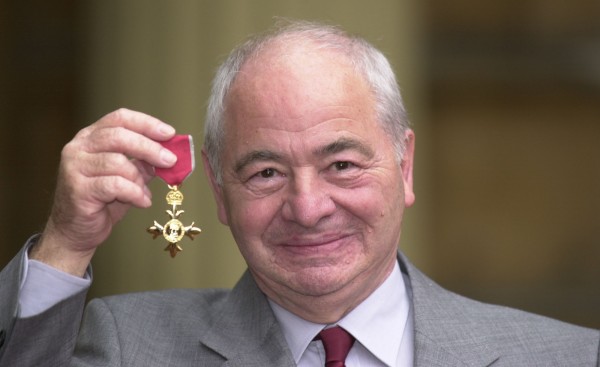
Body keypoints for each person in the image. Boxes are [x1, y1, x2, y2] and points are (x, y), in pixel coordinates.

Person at [0, 20, 598, 367]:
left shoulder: (565, 357)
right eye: (265, 174)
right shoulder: (128, 346)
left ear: (404, 164)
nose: (308, 208)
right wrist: (66, 243)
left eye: (341, 164)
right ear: (217, 188)